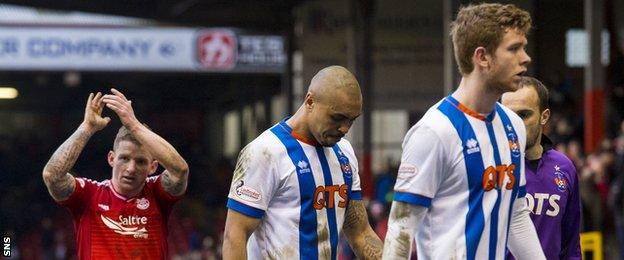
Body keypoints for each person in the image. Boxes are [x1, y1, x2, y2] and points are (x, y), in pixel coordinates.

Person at [382, 3, 546, 259]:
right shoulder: (433, 132)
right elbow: (401, 230)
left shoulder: (514, 126)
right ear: (482, 57)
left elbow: (516, 215)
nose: (525, 57)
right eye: (514, 48)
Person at [222, 66, 383, 260]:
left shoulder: (345, 153)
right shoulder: (265, 152)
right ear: (310, 101)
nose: (344, 128)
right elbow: (235, 236)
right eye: (337, 118)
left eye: (352, 120)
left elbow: (361, 233)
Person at [42, 89, 189, 259]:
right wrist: (87, 128)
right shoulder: (89, 194)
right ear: (111, 159)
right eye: (124, 158)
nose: (131, 168)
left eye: (140, 161)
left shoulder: (157, 193)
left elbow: (180, 170)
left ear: (153, 166)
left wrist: (134, 125)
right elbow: (52, 176)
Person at [502, 76, 581, 259]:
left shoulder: (564, 168)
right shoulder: (491, 167)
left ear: (544, 116)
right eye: (508, 116)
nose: (514, 125)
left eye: (523, 115)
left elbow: (571, 244)